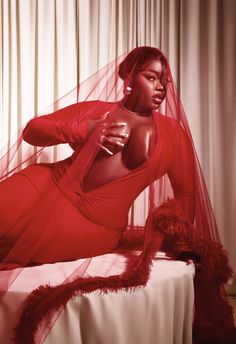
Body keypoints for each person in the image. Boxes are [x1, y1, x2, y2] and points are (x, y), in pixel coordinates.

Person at [0, 47, 235, 343]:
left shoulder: (174, 135)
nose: (161, 86)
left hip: (93, 224)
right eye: (151, 77)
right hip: (47, 183)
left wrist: (180, 238)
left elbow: (186, 194)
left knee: (14, 244)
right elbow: (32, 131)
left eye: (165, 80)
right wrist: (82, 130)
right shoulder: (97, 111)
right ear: (129, 78)